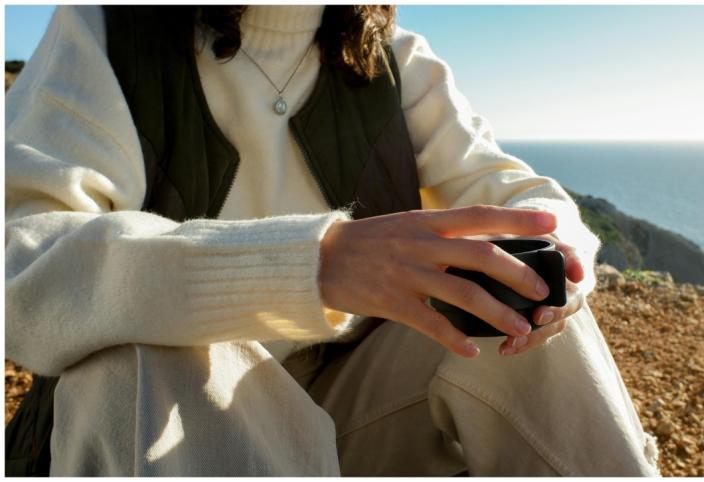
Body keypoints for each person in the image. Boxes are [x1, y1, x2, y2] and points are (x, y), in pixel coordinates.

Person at [5, 4, 659, 476]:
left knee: (521, 317)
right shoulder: (104, 29)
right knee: (149, 360)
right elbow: (20, 263)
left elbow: (523, 199)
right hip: (159, 428)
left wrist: (561, 267)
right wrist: (313, 263)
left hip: (354, 413)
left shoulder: (396, 59)